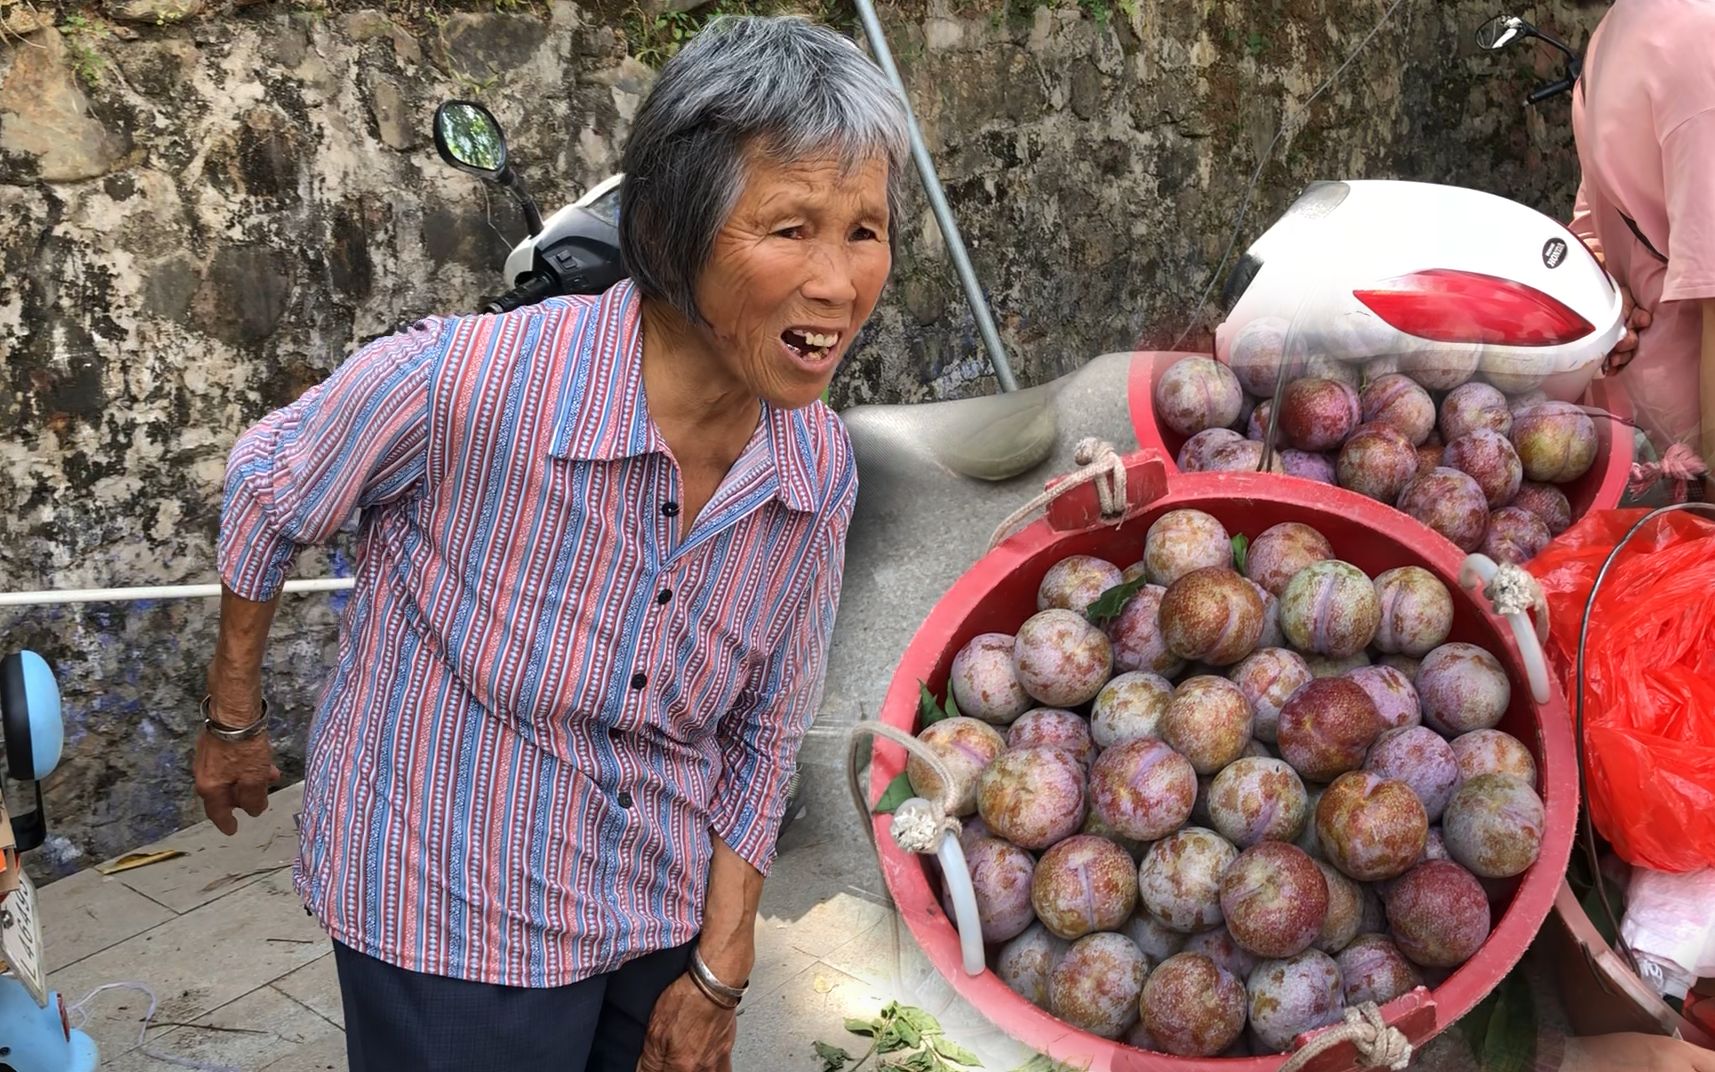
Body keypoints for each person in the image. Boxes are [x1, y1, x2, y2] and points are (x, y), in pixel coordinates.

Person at [191, 16, 908, 1071]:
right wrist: (234, 716)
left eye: (864, 230)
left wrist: (719, 964)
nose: (839, 284)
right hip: (451, 911)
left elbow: (760, 736)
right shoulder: (469, 385)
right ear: (671, 228)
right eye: (791, 226)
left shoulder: (811, 471)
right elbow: (270, 483)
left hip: (655, 913)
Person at [1566, 0, 1715, 495]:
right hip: (1696, 439)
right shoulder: (1692, 31)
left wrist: (1604, 292)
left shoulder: (1614, 30)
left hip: (1645, 421)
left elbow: (1589, 226)